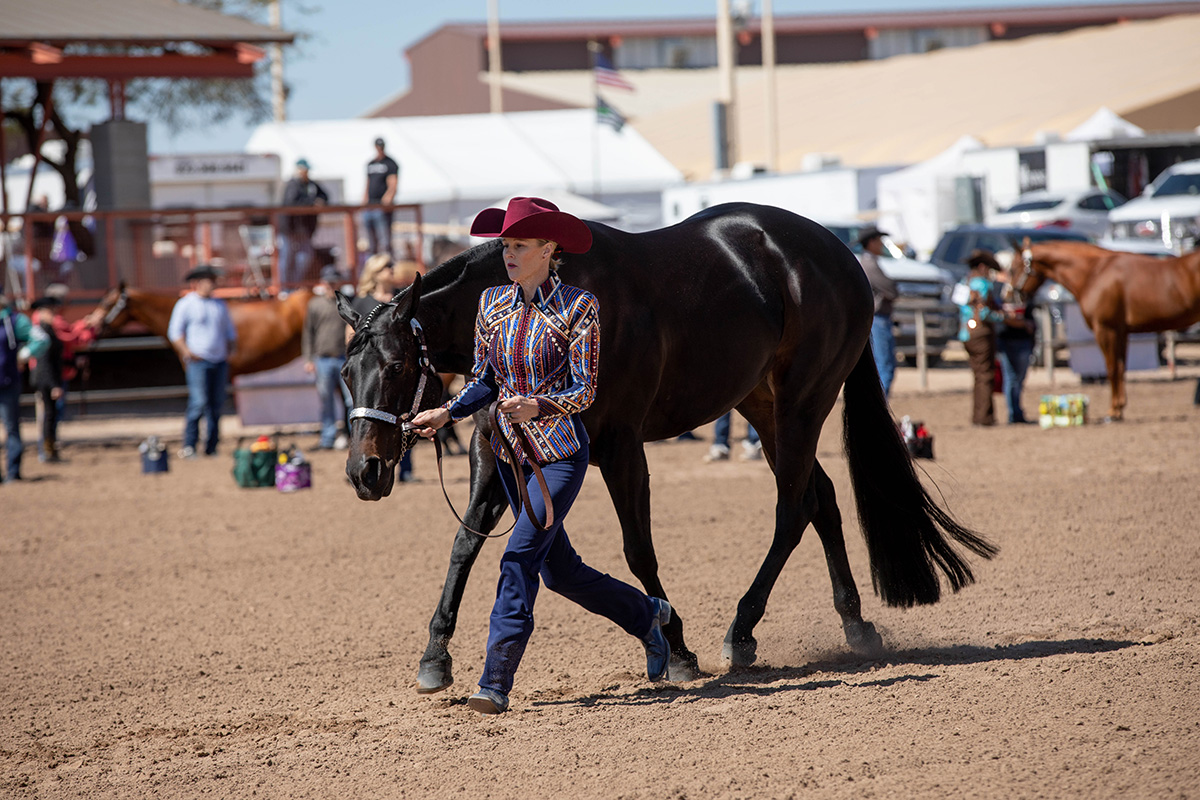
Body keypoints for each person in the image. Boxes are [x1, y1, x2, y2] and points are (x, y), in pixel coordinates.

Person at [410, 196, 671, 715]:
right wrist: (446, 413)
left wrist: (539, 404)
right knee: (562, 573)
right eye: (505, 244)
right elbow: (483, 379)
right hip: (509, 457)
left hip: (558, 458)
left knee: (518, 561)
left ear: (549, 248)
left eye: (519, 245)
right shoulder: (491, 304)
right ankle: (648, 617)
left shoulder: (580, 307)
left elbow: (585, 390)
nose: (508, 253)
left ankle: (495, 682)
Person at [348, 252, 419, 480]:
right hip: (369, 375)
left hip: (394, 372)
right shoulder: (362, 301)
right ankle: (362, 461)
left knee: (403, 418)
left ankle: (405, 469)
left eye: (392, 265)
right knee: (366, 418)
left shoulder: (401, 298)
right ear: (375, 273)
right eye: (386, 266)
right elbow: (351, 338)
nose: (392, 269)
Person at [168, 265, 238, 458]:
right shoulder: (186, 304)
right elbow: (175, 332)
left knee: (216, 405)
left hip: (219, 360)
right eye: (209, 281)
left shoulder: (219, 305)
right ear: (197, 283)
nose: (212, 285)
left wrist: (231, 351)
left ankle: (212, 446)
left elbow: (230, 332)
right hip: (198, 362)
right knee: (198, 403)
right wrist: (187, 352)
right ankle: (189, 445)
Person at [304, 266, 354, 450]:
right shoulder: (315, 305)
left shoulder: (347, 303)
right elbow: (308, 333)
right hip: (323, 359)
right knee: (326, 401)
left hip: (344, 359)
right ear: (323, 283)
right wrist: (309, 358)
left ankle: (353, 436)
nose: (331, 284)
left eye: (334, 281)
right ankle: (328, 437)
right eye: (329, 281)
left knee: (351, 400)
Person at [1, 293, 48, 482]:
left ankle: (13, 472)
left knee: (11, 426)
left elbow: (41, 339)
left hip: (7, 382)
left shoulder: (14, 320)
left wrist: (24, 355)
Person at [955, 250, 1005, 427]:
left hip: (966, 332)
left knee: (978, 374)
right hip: (981, 332)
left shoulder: (964, 282)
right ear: (982, 267)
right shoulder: (982, 284)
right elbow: (983, 311)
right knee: (985, 374)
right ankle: (984, 417)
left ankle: (980, 415)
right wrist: (1004, 316)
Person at [856, 226, 899, 398]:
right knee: (885, 366)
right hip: (878, 318)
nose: (881, 245)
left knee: (883, 365)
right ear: (871, 242)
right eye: (879, 241)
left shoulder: (868, 262)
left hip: (877, 318)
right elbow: (891, 289)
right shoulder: (869, 264)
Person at [995, 261, 1037, 424]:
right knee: (1011, 377)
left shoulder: (1023, 290)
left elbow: (1030, 311)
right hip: (1007, 338)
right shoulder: (997, 289)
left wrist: (1028, 324)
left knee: (1019, 377)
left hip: (1022, 339)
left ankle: (1017, 410)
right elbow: (997, 314)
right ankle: (1014, 413)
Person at [278, 158, 328, 290]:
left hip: (304, 229)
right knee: (287, 258)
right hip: (289, 229)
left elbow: (325, 196)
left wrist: (319, 201)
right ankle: (284, 288)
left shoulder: (311, 184)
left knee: (305, 257)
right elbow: (292, 202)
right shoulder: (292, 184)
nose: (305, 172)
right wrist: (312, 202)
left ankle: (294, 285)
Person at [27, 298, 66, 463]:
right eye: (50, 312)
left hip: (49, 378)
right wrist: (54, 385)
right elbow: (44, 362)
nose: (53, 315)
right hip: (45, 379)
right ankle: (47, 451)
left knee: (51, 414)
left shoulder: (49, 330)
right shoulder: (42, 333)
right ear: (41, 313)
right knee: (48, 415)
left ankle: (50, 450)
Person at [362, 138, 399, 257]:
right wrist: (365, 201)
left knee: (385, 241)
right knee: (371, 243)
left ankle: (388, 265)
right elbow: (367, 184)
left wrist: (387, 200)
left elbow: (393, 184)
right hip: (370, 206)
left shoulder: (390, 163)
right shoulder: (371, 164)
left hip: (381, 208)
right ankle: (373, 266)